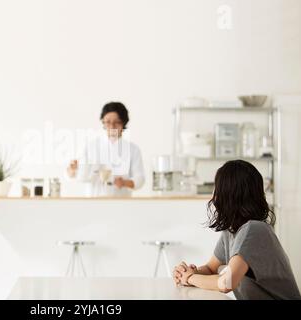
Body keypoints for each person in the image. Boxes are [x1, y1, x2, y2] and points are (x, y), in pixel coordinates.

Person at [173, 160, 301, 300]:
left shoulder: (254, 230)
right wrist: (187, 273)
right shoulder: (231, 232)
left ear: (229, 194)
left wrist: (190, 278)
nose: (214, 197)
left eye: (217, 189)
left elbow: (227, 282)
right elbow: (210, 268)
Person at [66, 102, 145, 197]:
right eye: (108, 122)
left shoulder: (133, 150)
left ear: (123, 122)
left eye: (116, 122)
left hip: (121, 203)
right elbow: (76, 176)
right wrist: (72, 170)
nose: (112, 126)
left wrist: (124, 183)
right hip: (93, 203)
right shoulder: (91, 146)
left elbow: (140, 178)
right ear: (103, 122)